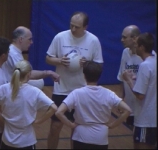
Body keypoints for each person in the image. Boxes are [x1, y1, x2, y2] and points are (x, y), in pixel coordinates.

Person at [46, 11, 104, 149]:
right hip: (62, 88)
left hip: (82, 90)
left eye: (77, 27)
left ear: (85, 27)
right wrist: (60, 60)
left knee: (76, 128)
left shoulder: (93, 40)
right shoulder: (60, 37)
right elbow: (48, 58)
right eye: (71, 25)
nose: (73, 29)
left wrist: (87, 63)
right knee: (55, 126)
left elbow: (99, 65)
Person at [0, 60, 57, 149]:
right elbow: (54, 108)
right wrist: (38, 121)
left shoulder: (4, 88)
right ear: (29, 74)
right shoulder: (35, 91)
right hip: (26, 142)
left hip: (7, 142)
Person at [55, 61, 131, 149]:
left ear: (84, 76)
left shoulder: (76, 93)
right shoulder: (108, 93)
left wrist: (71, 125)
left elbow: (59, 112)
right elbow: (127, 110)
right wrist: (113, 125)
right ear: (99, 76)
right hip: (101, 137)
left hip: (80, 136)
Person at [123, 32, 157, 149]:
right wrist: (137, 79)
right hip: (153, 118)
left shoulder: (145, 65)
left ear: (142, 47)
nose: (134, 46)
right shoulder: (154, 61)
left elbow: (140, 95)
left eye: (136, 44)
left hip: (145, 119)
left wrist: (128, 80)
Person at [117, 25, 142, 129]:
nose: (122, 40)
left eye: (124, 37)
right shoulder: (125, 53)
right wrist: (121, 98)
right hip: (130, 105)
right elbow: (122, 77)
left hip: (142, 106)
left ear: (135, 38)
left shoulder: (146, 56)